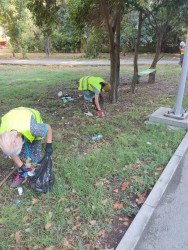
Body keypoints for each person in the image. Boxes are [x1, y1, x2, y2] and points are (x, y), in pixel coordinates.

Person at [0, 107, 53, 188]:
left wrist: (49, 145)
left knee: (34, 154)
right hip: (14, 118)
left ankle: (35, 171)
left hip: (29, 120)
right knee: (22, 157)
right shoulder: (4, 136)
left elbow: (48, 128)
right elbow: (11, 152)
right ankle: (22, 174)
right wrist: (21, 166)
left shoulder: (34, 129)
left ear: (21, 141)